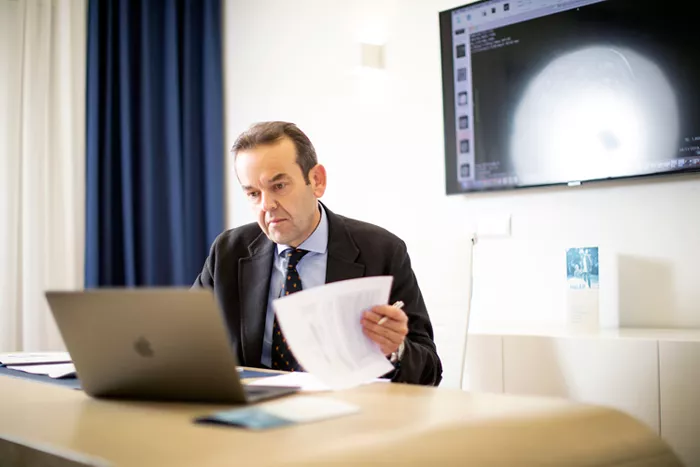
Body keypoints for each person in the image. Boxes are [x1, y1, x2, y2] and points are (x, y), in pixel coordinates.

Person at [193, 121, 442, 386]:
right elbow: (186, 340)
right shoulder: (229, 251)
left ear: (317, 181)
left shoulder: (381, 251)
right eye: (254, 193)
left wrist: (395, 349)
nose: (267, 205)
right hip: (254, 406)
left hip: (345, 406)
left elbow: (430, 372)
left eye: (279, 186)